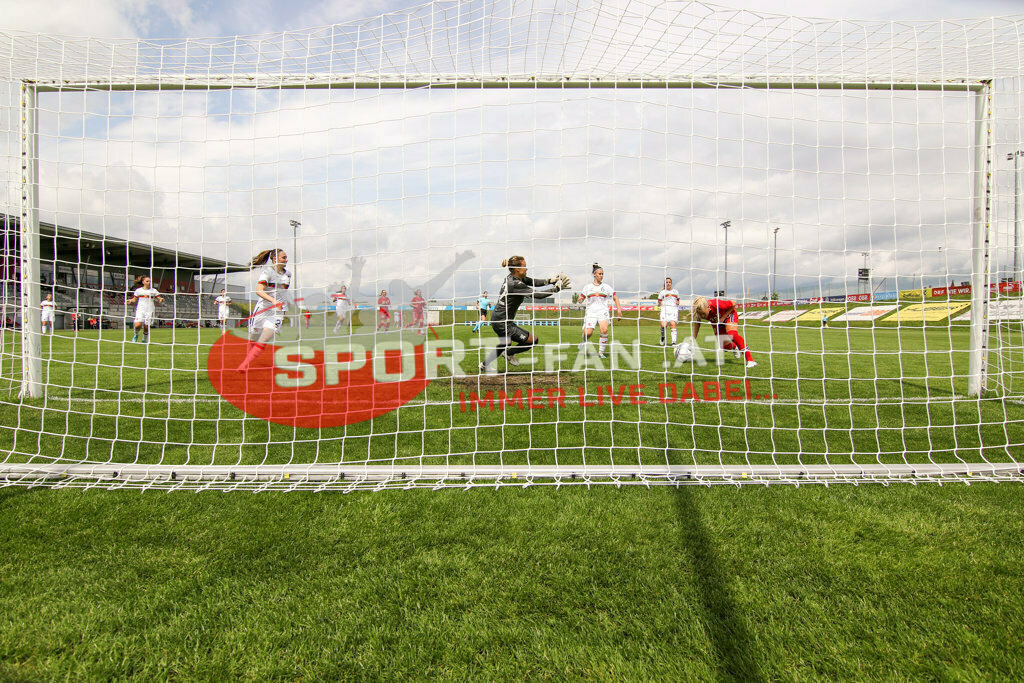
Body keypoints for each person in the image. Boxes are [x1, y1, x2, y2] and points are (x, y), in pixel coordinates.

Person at [480, 256, 570, 372]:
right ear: (517, 269)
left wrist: (550, 281)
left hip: (498, 319)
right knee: (533, 340)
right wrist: (556, 289)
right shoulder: (515, 284)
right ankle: (508, 353)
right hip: (503, 322)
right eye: (524, 266)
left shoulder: (513, 278)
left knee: (505, 343)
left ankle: (484, 365)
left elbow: (532, 281)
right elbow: (537, 295)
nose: (526, 268)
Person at [236, 248, 291, 372]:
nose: (286, 260)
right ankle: (249, 357)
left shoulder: (288, 274)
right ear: (275, 259)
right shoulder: (267, 272)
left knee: (264, 339)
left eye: (286, 257)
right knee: (252, 339)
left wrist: (283, 310)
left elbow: (282, 293)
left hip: (277, 313)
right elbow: (259, 290)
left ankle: (244, 365)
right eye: (284, 257)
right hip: (262, 310)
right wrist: (273, 301)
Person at [690, 295, 757, 368]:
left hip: (729, 315)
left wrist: (724, 317)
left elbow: (733, 303)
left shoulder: (716, 303)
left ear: (708, 307)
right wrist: (695, 335)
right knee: (724, 347)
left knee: (732, 334)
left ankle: (750, 360)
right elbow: (697, 321)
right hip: (717, 322)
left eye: (703, 313)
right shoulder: (698, 311)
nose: (702, 316)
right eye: (700, 314)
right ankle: (734, 347)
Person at [577, 263, 622, 359]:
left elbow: (615, 297)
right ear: (594, 274)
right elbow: (581, 298)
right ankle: (583, 340)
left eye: (602, 274)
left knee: (604, 330)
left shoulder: (606, 287)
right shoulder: (587, 287)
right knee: (588, 333)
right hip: (591, 312)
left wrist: (619, 310)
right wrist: (580, 299)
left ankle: (601, 353)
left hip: (603, 311)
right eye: (599, 274)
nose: (601, 276)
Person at [127, 275, 164, 343]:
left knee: (146, 327)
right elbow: (134, 299)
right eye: (147, 281)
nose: (149, 282)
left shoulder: (154, 291)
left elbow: (159, 298)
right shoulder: (138, 291)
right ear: (143, 282)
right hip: (140, 309)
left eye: (150, 281)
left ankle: (144, 339)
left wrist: (161, 299)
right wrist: (130, 300)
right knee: (137, 325)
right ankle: (136, 335)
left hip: (150, 310)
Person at [657, 277, 681, 346]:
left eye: (669, 282)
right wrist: (660, 308)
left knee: (673, 324)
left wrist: (677, 302)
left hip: (673, 310)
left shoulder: (675, 292)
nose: (668, 283)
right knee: (663, 325)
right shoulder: (662, 292)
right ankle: (662, 337)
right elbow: (659, 302)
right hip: (665, 310)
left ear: (671, 283)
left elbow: (678, 300)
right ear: (665, 283)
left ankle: (674, 342)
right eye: (666, 282)